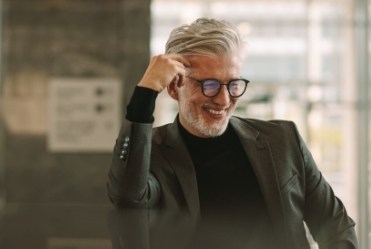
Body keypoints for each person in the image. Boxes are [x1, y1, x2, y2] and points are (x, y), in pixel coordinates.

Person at [107, 18, 358, 249]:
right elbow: (128, 198)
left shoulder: (282, 140)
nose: (224, 99)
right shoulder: (152, 153)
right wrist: (145, 93)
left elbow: (336, 225)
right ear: (175, 87)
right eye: (209, 84)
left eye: (233, 84)